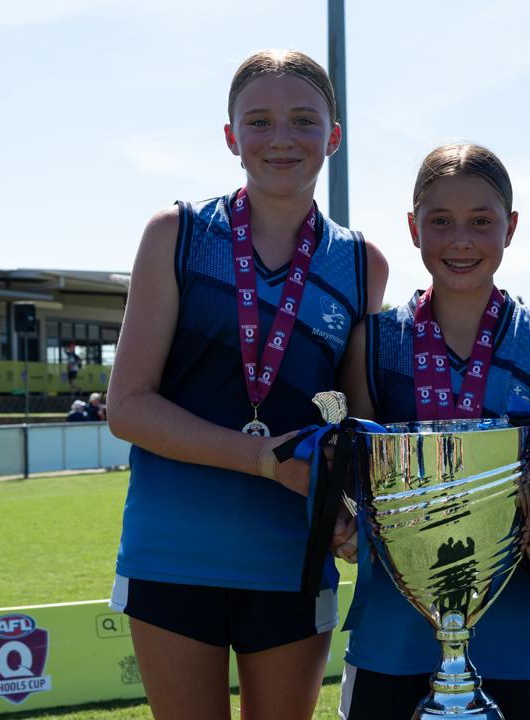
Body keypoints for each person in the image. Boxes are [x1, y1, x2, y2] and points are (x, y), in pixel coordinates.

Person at [105, 49, 387, 720]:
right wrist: (265, 460)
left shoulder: (360, 264)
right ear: (231, 138)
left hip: (292, 557)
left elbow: (355, 426)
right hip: (171, 552)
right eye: (258, 122)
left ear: (334, 137)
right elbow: (128, 406)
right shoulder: (176, 234)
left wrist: (360, 515)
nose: (281, 139)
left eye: (303, 120)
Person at [335, 143, 530, 720]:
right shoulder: (372, 342)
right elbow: (353, 476)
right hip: (390, 637)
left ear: (512, 227)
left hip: (513, 633)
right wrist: (344, 524)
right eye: (440, 221)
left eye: (482, 221)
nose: (461, 240)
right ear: (412, 227)